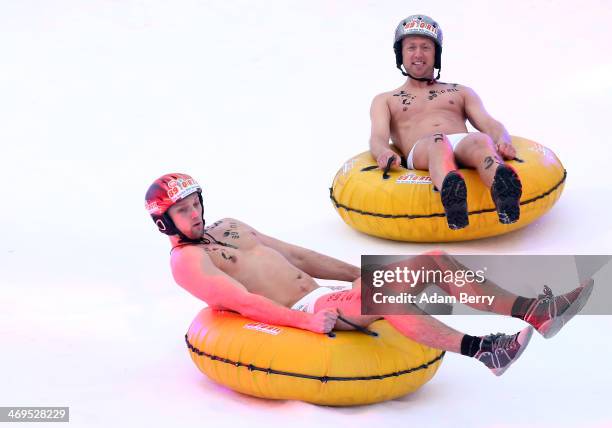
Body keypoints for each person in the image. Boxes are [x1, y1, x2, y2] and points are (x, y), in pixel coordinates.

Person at [145, 173, 594, 376]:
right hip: (309, 313)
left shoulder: (230, 226)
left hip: (328, 293)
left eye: (195, 203)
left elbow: (299, 256)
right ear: (165, 221)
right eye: (182, 211)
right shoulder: (187, 263)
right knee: (388, 297)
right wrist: (304, 320)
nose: (195, 214)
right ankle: (483, 351)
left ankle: (535, 310)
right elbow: (243, 302)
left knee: (435, 260)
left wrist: (361, 273)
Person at [369, 15, 522, 230]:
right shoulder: (385, 99)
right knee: (438, 142)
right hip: (423, 148)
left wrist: (502, 141)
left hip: (462, 144)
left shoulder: (460, 91)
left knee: (479, 139)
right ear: (400, 54)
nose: (419, 54)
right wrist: (383, 152)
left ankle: (503, 192)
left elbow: (490, 123)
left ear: (436, 54)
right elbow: (377, 137)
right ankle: (453, 195)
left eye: (426, 47)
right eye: (411, 47)